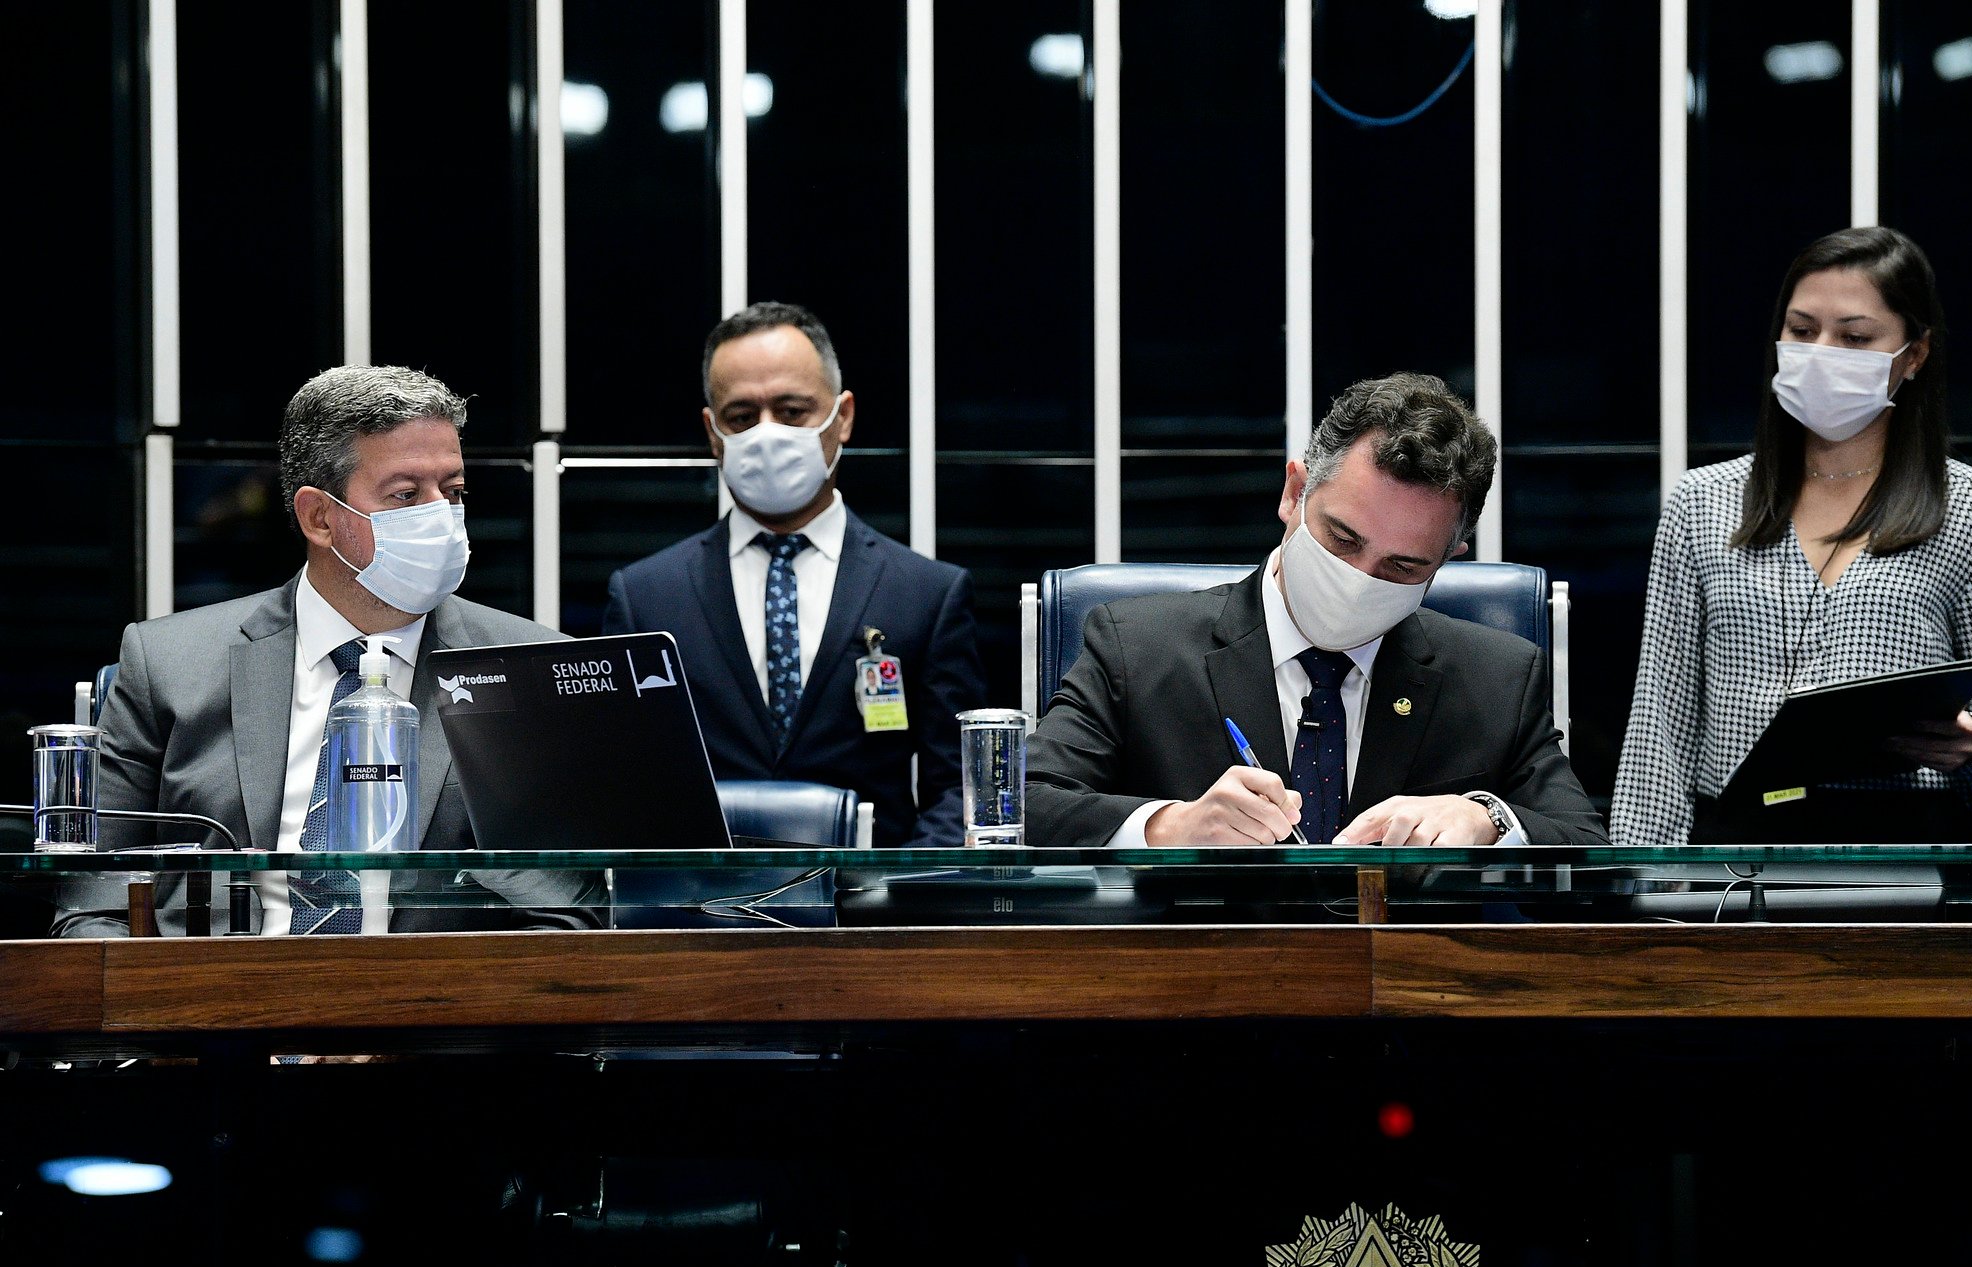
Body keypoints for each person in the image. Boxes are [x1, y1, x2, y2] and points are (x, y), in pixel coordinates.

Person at [57, 366, 602, 935]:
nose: (442, 516)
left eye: (454, 492)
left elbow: (561, 914)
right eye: (407, 495)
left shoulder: (531, 666)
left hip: (439, 1008)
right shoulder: (167, 664)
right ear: (319, 517)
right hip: (216, 1003)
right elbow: (94, 907)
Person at [1026, 372, 1604, 847]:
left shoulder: (1497, 677)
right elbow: (1024, 805)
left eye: (1403, 567)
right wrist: (1168, 826)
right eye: (1342, 540)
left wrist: (1490, 819)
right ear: (1294, 494)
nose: (1359, 581)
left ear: (1449, 556)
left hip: (1411, 979)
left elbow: (1587, 848)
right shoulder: (1137, 647)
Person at [1614, 226, 1972, 842]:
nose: (1822, 350)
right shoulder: (1702, 502)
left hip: (1904, 846)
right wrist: (1643, 890)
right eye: (1802, 329)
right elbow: (1661, 718)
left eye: (1854, 337)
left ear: (1914, 355)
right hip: (1737, 845)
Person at [603, 302, 985, 847]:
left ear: (843, 416)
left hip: (870, 913)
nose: (767, 433)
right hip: (698, 910)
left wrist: (900, 896)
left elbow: (961, 789)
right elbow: (622, 780)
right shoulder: (645, 597)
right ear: (713, 433)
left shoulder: (927, 593)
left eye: (792, 411)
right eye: (741, 417)